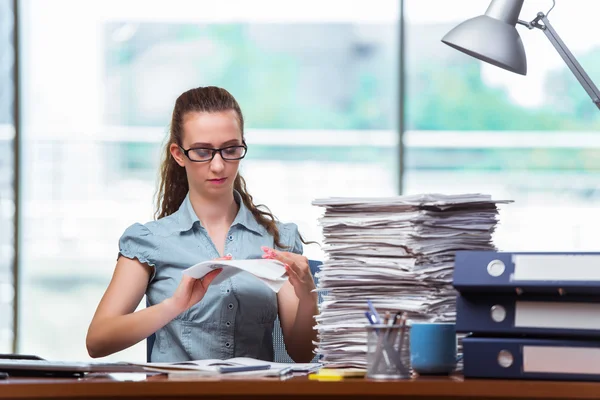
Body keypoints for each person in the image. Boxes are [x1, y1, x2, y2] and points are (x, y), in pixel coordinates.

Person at [86, 86, 318, 363]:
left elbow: (303, 354)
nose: (218, 166)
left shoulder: (277, 239)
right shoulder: (149, 241)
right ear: (179, 154)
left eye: (230, 149)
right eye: (202, 151)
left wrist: (308, 295)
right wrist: (175, 306)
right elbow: (98, 341)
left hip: (253, 395)